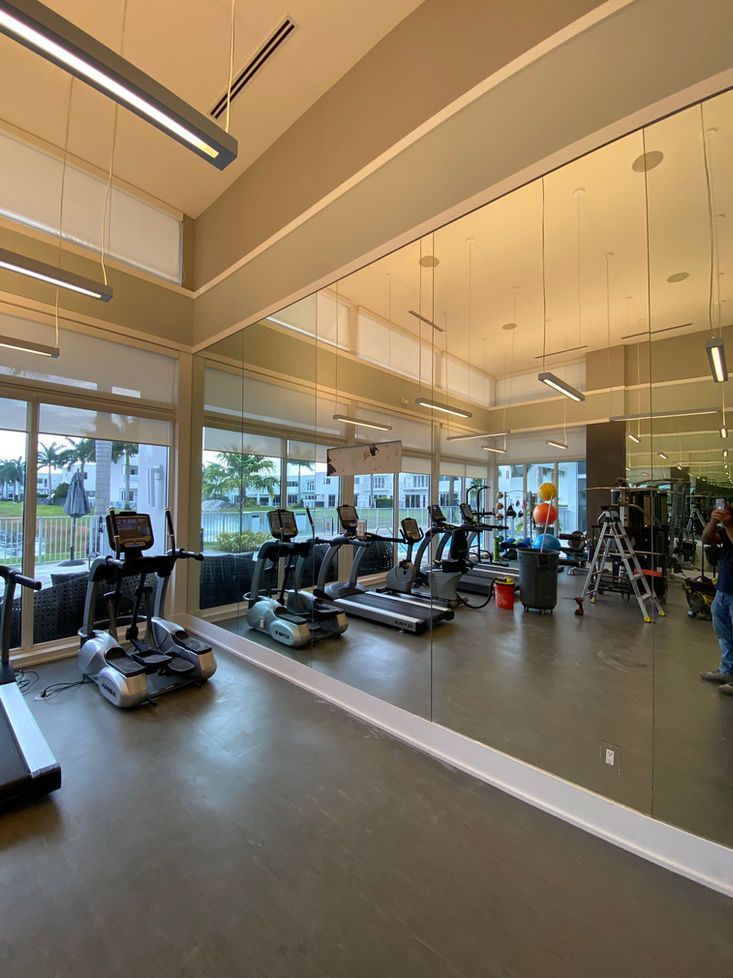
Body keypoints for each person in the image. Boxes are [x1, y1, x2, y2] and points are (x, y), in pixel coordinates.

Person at [700, 502, 733, 695]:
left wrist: (728, 525)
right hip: (724, 586)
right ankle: (727, 670)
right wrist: (714, 521)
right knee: (724, 633)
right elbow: (706, 539)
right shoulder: (729, 523)